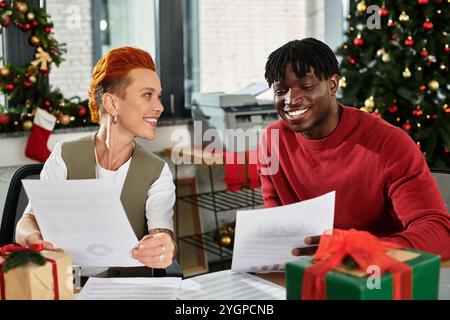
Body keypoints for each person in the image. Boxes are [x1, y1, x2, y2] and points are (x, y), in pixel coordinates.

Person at [258, 38, 450, 260]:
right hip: (310, 271)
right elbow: (277, 223)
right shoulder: (273, 141)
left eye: (307, 86)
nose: (291, 100)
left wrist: (361, 250)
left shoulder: (389, 143)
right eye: (280, 91)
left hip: (378, 276)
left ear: (333, 84)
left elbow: (439, 232)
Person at [15, 46, 177, 276]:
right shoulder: (65, 156)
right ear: (112, 104)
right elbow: (27, 221)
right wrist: (34, 240)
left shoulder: (157, 171)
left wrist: (163, 244)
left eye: (158, 96)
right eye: (147, 95)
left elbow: (162, 232)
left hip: (128, 292)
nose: (159, 107)